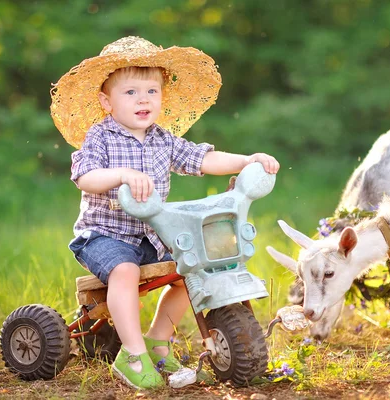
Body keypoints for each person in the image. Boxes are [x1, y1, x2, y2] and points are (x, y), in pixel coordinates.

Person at [50, 36, 279, 390]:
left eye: (151, 91)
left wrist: (248, 160)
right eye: (130, 92)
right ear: (106, 101)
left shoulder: (163, 139)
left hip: (152, 235)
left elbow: (203, 158)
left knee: (195, 265)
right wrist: (123, 175)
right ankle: (133, 354)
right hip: (104, 236)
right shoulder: (100, 137)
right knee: (124, 271)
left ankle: (159, 339)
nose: (143, 99)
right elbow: (85, 177)